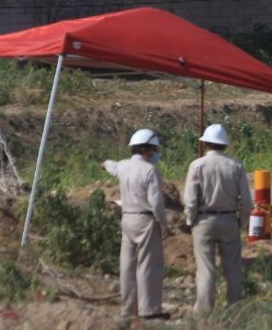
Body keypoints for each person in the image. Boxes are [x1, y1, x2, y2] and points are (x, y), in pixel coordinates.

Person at [182, 124, 252, 313]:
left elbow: (190, 201)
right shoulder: (236, 166)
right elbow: (246, 200)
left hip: (203, 221)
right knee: (233, 268)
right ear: (224, 145)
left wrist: (190, 221)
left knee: (205, 269)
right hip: (229, 219)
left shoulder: (197, 166)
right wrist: (241, 222)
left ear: (205, 144)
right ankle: (235, 309)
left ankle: (205, 311)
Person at [102, 129, 169, 321]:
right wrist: (164, 224)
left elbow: (111, 166)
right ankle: (149, 310)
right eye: (154, 149)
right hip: (145, 220)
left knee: (127, 266)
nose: (155, 153)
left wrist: (104, 164)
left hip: (127, 219)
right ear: (146, 149)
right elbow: (156, 202)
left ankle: (128, 310)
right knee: (148, 266)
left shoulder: (123, 166)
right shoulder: (150, 170)